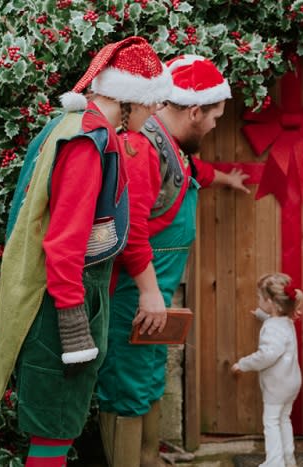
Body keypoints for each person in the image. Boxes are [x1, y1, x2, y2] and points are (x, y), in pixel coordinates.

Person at [0, 36, 167, 466]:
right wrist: (73, 320)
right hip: (65, 298)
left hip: (72, 293)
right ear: (129, 98)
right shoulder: (88, 141)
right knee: (54, 428)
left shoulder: (79, 127)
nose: (157, 110)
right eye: (153, 101)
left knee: (57, 426)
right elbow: (64, 241)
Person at [95, 55, 249, 466]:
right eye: (215, 115)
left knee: (147, 384)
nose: (217, 124)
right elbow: (131, 231)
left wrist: (225, 179)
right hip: (134, 297)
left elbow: (191, 170)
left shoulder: (171, 146)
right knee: (126, 390)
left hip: (154, 299)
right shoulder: (143, 147)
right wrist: (148, 294)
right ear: (195, 111)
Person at [230, 273, 303, 467]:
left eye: (260, 298)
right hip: (292, 382)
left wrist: (243, 364)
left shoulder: (273, 327)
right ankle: (288, 458)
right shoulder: (286, 321)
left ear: (271, 302)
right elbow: (275, 325)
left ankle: (274, 463)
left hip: (277, 386)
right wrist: (263, 316)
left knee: (271, 422)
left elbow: (267, 355)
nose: (258, 300)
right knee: (283, 419)